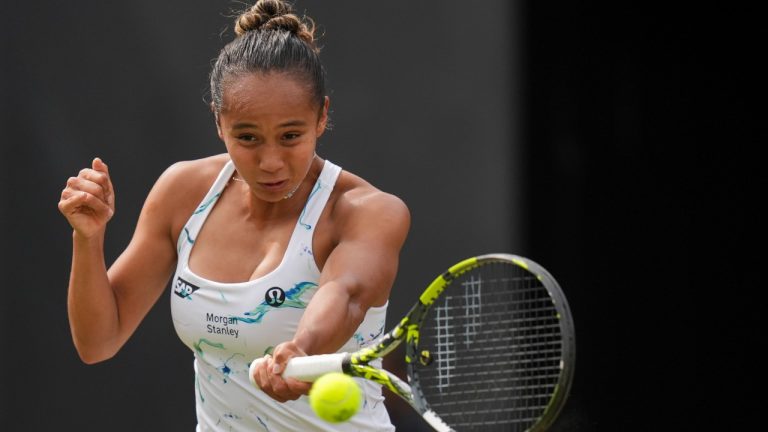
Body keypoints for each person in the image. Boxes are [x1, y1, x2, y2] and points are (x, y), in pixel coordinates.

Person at [57, 0, 410, 430]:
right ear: (218, 123)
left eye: (291, 136)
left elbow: (347, 294)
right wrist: (88, 238)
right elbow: (98, 341)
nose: (271, 162)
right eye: (247, 137)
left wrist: (301, 347)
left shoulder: (368, 212)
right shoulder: (183, 192)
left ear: (322, 117)